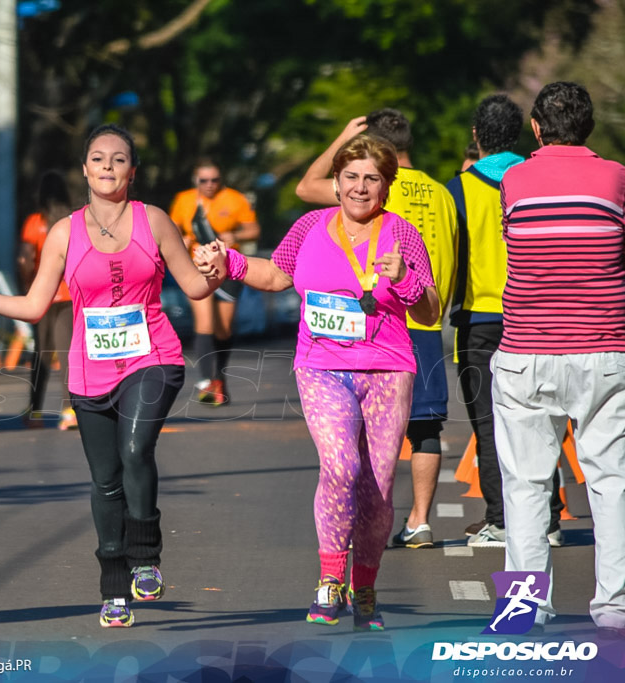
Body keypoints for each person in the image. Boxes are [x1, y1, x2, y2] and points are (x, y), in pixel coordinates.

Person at [0, 124, 227, 628]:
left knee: (136, 449)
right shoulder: (63, 233)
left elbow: (194, 287)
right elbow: (34, 307)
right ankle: (114, 589)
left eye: (118, 160)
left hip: (152, 357)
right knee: (106, 480)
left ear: (132, 172)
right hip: (89, 369)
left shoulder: (155, 221)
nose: (107, 167)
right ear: (84, 169)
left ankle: (146, 557)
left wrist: (218, 269)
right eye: (98, 159)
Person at [199, 134, 439, 630]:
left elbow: (432, 308)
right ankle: (331, 579)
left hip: (389, 368)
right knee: (340, 464)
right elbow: (275, 275)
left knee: (376, 486)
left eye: (372, 178)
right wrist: (232, 264)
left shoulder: (402, 233)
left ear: (387, 187)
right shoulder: (310, 226)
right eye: (351, 177)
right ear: (335, 182)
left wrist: (407, 279)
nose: (359, 187)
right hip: (321, 364)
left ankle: (366, 584)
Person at [492, 81, 625, 635]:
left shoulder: (515, 180)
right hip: (604, 351)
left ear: (538, 129)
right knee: (611, 480)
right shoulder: (617, 178)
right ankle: (615, 607)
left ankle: (523, 610)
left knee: (526, 485)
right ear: (589, 128)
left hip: (527, 350)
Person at [296, 110, 457, 550]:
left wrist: (342, 137)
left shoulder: (370, 195)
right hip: (423, 319)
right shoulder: (443, 193)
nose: (361, 186)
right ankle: (420, 518)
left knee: (367, 460)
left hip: (391, 319)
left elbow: (306, 187)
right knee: (426, 426)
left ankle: (359, 554)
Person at [447, 94, 564, 549]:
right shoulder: (540, 181)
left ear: (476, 137)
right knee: (543, 421)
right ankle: (550, 521)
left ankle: (501, 519)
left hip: (478, 319)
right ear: (522, 133)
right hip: (537, 318)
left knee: (488, 424)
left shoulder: (458, 189)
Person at [169, 159, 260, 406]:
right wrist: (182, 240)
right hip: (197, 266)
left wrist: (235, 235)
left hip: (228, 267)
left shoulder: (234, 199)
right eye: (204, 180)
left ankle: (219, 378)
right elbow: (171, 229)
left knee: (224, 328)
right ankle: (207, 381)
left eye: (214, 180)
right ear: (195, 181)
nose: (210, 185)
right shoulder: (184, 200)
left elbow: (254, 230)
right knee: (205, 321)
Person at [18, 170, 76, 430]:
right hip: (72, 294)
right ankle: (70, 410)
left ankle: (35, 411)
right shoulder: (73, 221)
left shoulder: (35, 222)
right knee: (68, 354)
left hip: (44, 294)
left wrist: (28, 283)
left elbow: (26, 259)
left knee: (41, 354)